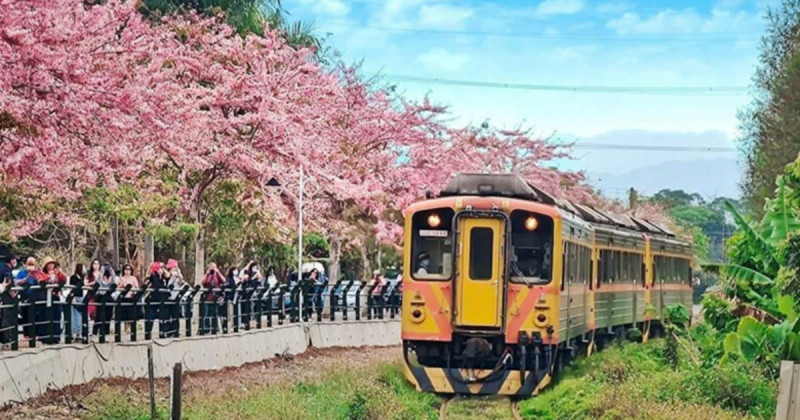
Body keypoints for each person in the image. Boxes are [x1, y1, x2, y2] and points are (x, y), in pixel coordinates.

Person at [39, 258, 67, 344]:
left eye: (52, 264)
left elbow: (64, 279)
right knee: (46, 317)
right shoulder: (42, 274)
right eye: (49, 264)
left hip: (55, 296)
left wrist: (59, 272)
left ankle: (56, 337)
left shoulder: (57, 274)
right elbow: (41, 282)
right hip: (46, 297)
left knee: (56, 316)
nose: (51, 265)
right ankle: (46, 337)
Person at [201, 263, 225, 334]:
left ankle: (215, 328)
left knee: (215, 312)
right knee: (207, 313)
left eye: (214, 267)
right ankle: (206, 328)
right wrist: (207, 274)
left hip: (216, 297)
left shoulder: (217, 275)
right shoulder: (207, 275)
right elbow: (203, 282)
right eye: (211, 267)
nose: (213, 269)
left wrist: (218, 272)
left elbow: (224, 280)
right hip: (208, 297)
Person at [0, 254, 17, 347]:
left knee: (3, 317)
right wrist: (13, 295)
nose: (15, 262)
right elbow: (8, 284)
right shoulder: (7, 270)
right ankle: (6, 340)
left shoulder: (3, 269)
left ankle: (4, 339)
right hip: (7, 297)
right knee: (7, 319)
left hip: (3, 296)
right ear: (11, 260)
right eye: (14, 260)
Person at [116, 264, 139, 333]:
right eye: (126, 269)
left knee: (130, 314)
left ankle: (129, 328)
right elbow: (117, 287)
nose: (127, 271)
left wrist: (132, 289)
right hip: (123, 297)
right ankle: (125, 328)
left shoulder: (133, 278)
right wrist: (121, 286)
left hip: (131, 297)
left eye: (129, 269)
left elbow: (137, 287)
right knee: (124, 314)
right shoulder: (121, 278)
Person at [164, 259, 183, 337]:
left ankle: (175, 331)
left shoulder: (178, 275)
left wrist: (177, 272)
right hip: (168, 297)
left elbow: (181, 280)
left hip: (175, 297)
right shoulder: (167, 275)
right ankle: (168, 331)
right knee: (167, 315)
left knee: (175, 315)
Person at [68, 263, 85, 340]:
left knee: (80, 316)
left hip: (81, 297)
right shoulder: (73, 277)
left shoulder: (82, 278)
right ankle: (74, 332)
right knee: (74, 315)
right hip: (75, 297)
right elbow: (71, 287)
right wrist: (73, 296)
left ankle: (79, 332)